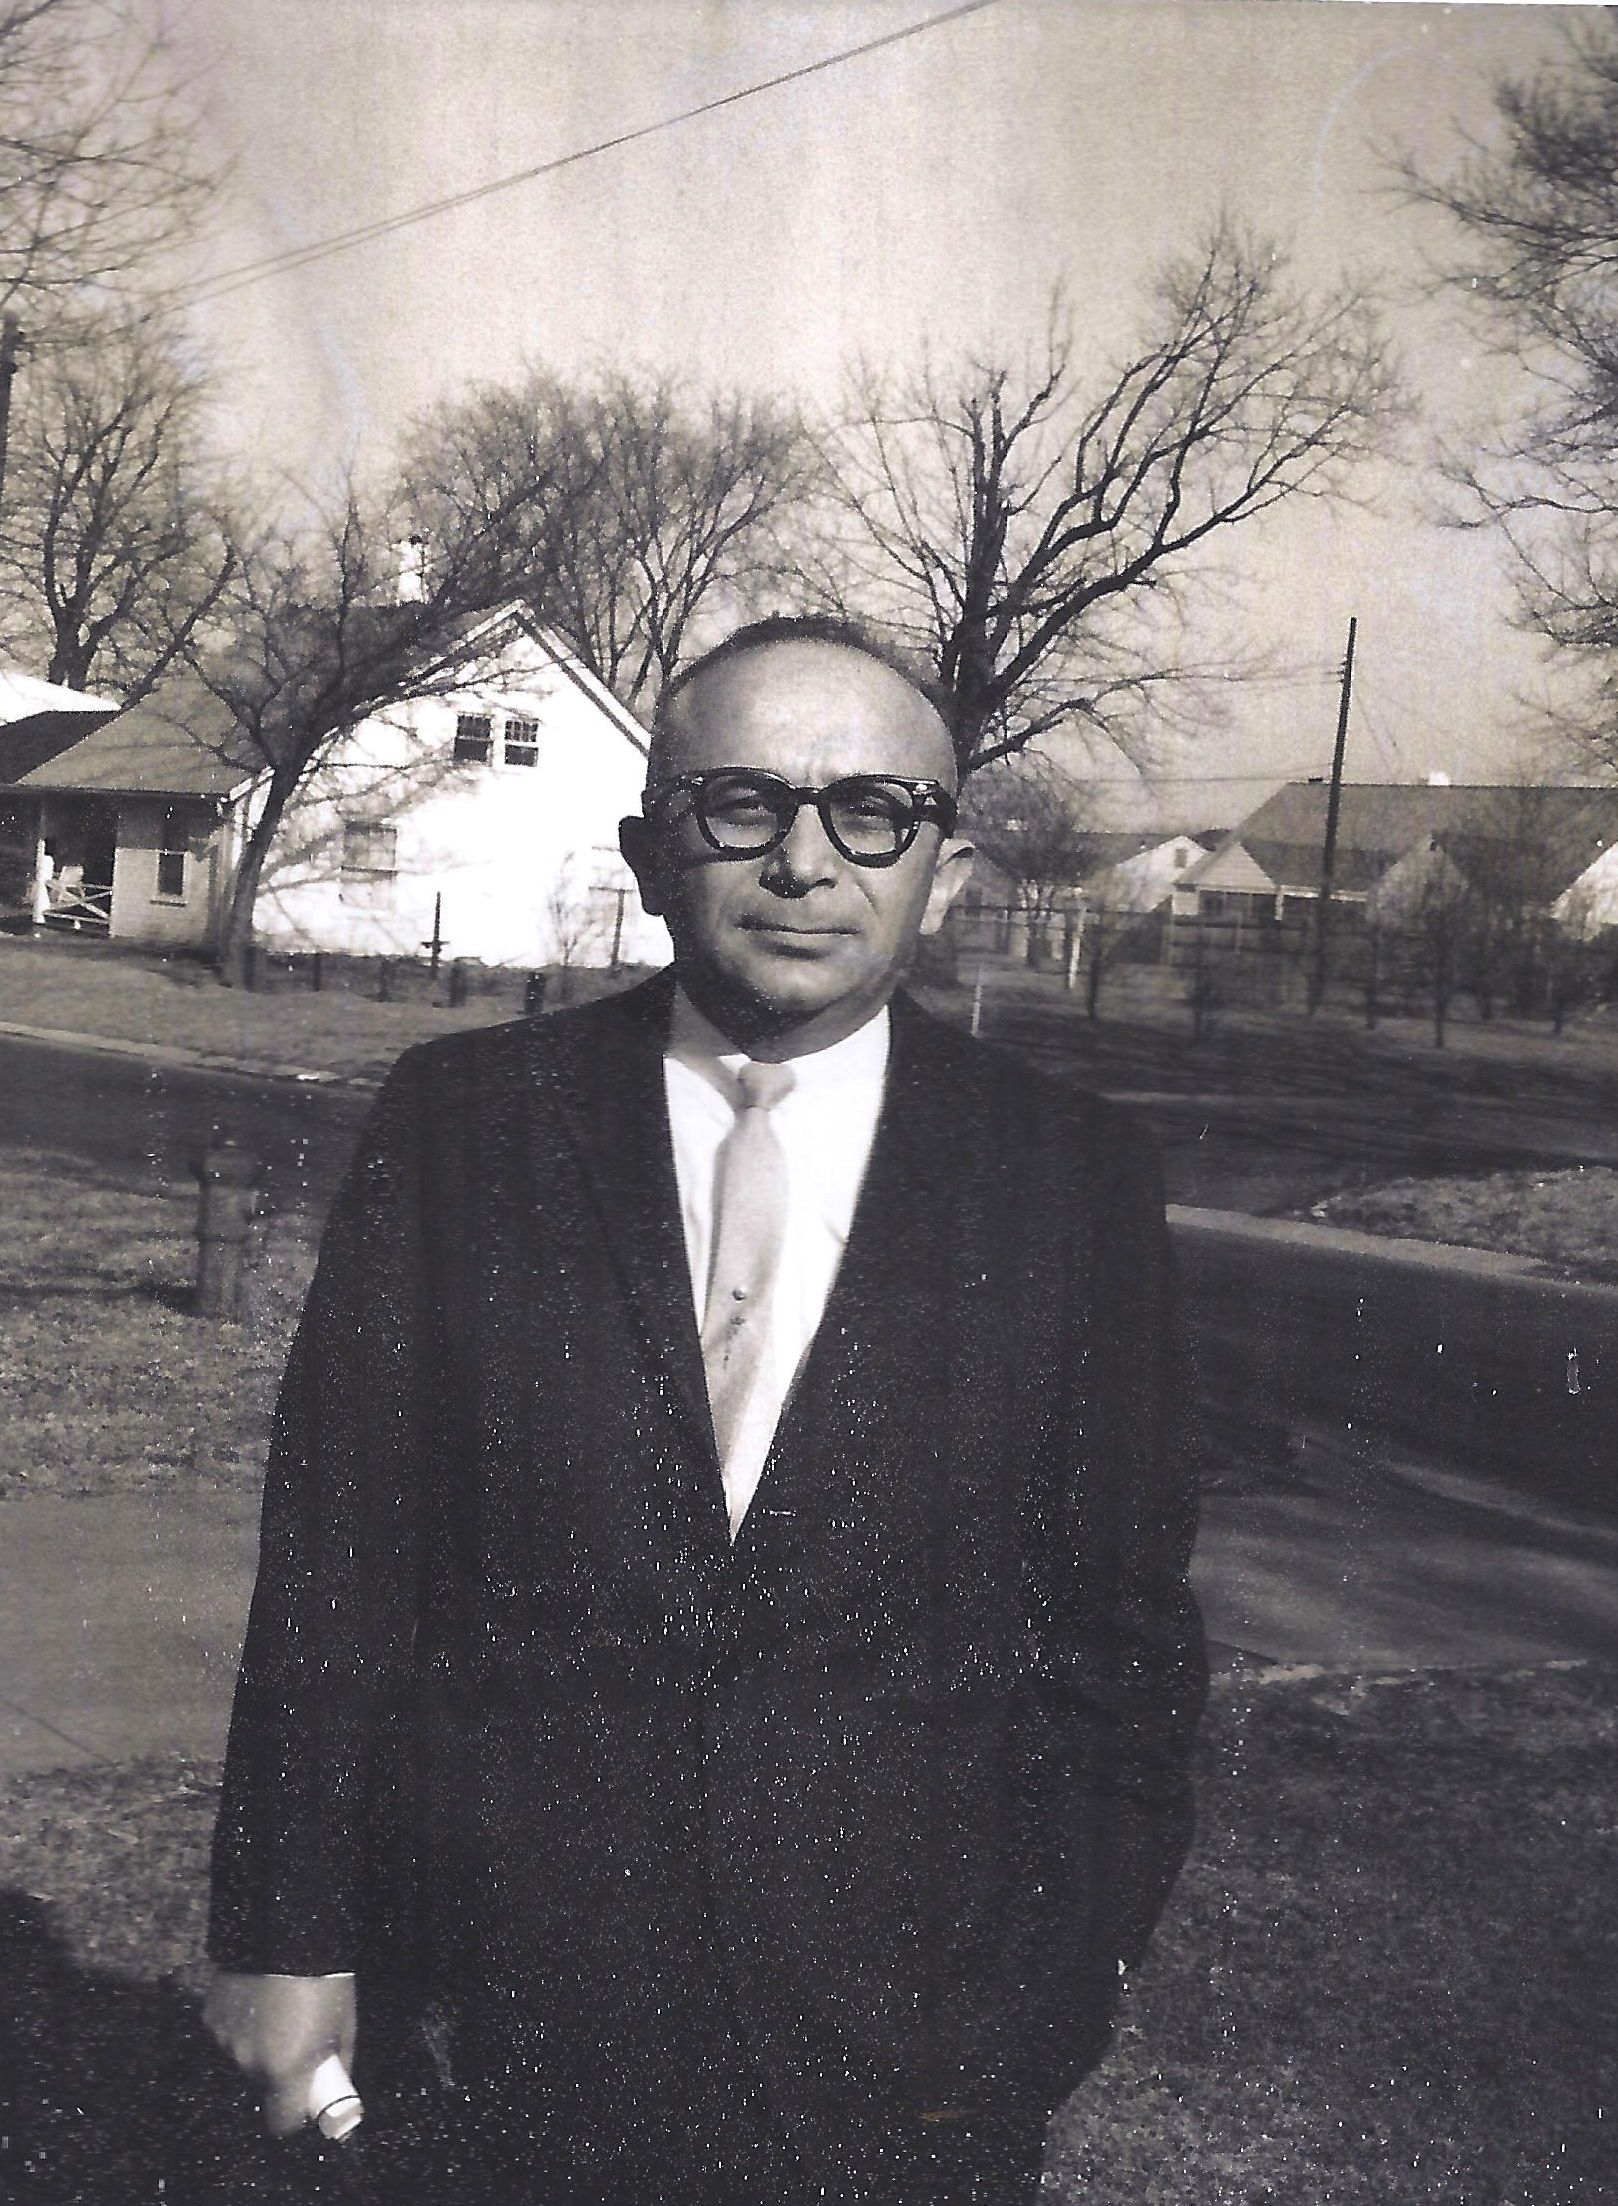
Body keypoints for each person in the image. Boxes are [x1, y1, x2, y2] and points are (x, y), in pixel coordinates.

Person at [203, 614, 1206, 2205]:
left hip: (908, 2050)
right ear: (649, 849)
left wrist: (1050, 1992)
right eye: (743, 804)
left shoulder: (1072, 1176)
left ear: (943, 867)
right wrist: (286, 1932)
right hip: (498, 2020)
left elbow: (1121, 1635)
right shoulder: (466, 1127)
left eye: (871, 812)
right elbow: (339, 1568)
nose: (805, 861)